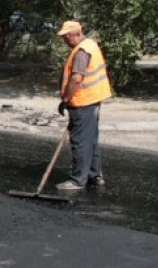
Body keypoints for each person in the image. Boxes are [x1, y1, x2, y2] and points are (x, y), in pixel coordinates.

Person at [55, 21, 112, 190]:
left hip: (83, 100)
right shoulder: (90, 44)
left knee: (80, 140)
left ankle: (78, 180)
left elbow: (76, 78)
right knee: (91, 138)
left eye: (67, 36)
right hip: (93, 98)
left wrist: (65, 99)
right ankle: (95, 175)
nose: (65, 40)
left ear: (77, 33)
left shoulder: (81, 52)